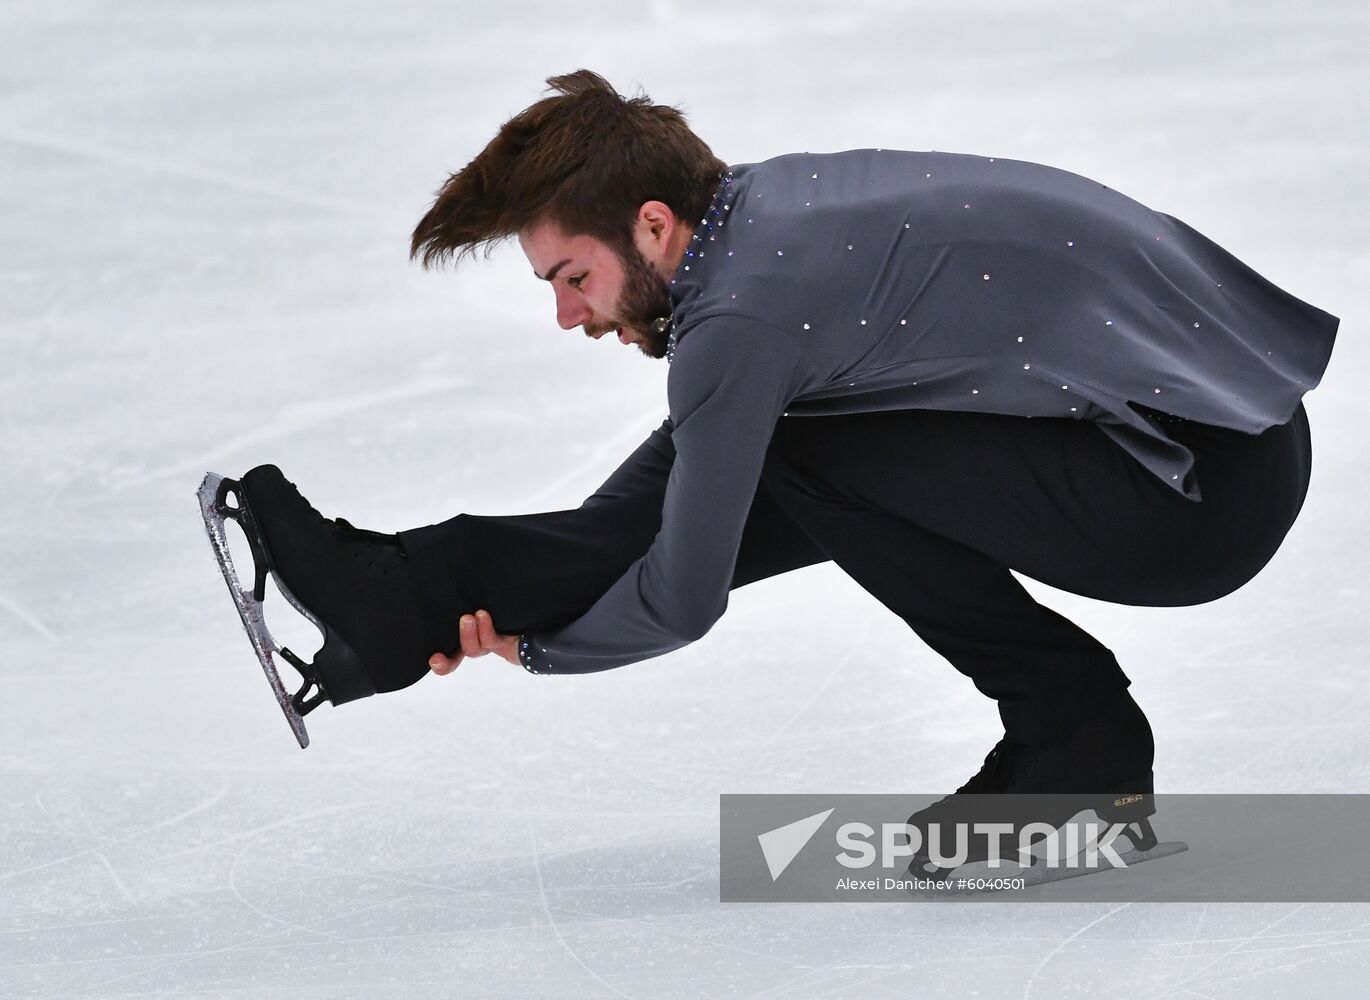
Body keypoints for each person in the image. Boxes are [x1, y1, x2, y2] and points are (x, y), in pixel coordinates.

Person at [229, 69, 1337, 812]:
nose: (569, 313)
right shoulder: (760, 222)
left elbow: (682, 591)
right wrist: (465, 591)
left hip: (1191, 490)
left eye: (573, 277)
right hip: (1217, 427)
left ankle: (1074, 745)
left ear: (651, 224)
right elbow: (664, 495)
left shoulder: (745, 316)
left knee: (794, 451)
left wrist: (539, 646)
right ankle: (397, 586)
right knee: (776, 445)